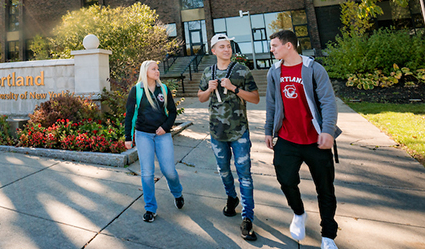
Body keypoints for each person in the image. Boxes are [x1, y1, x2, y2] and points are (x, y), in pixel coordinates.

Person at [265, 30, 341, 249]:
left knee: (325, 189)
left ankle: (328, 236)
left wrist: (327, 131)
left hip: (316, 139)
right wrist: (268, 130)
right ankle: (299, 213)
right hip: (287, 139)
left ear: (289, 46)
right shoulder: (274, 72)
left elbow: (328, 101)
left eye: (274, 45)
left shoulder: (314, 69)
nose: (272, 50)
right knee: (286, 180)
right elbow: (271, 103)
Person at [197, 33, 260, 241]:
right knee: (223, 171)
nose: (227, 49)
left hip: (239, 131)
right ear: (213, 50)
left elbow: (256, 98)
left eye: (229, 46)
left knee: (245, 174)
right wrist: (209, 88)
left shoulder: (242, 70)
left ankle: (247, 217)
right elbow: (200, 97)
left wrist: (234, 88)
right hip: (217, 132)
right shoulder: (208, 72)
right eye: (222, 47)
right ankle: (232, 197)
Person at [124, 60, 184, 223]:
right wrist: (128, 137)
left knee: (169, 171)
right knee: (147, 172)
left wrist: (165, 127)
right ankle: (150, 208)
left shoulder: (163, 89)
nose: (157, 71)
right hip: (143, 135)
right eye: (154, 69)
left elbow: (172, 112)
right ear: (146, 71)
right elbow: (129, 115)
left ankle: (177, 193)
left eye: (158, 69)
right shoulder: (136, 90)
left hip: (162, 135)